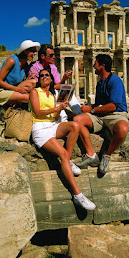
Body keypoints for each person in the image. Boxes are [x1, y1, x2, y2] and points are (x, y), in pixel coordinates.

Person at [29, 69, 96, 211]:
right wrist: (56, 108)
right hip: (40, 128)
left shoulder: (53, 95)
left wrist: (61, 108)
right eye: (41, 75)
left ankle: (69, 161)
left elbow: (54, 117)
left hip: (52, 125)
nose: (44, 77)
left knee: (75, 126)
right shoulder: (35, 92)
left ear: (51, 79)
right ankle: (78, 195)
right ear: (39, 79)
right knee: (63, 154)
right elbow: (38, 112)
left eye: (47, 75)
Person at [74, 54, 129, 175]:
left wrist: (92, 110)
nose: (93, 65)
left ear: (102, 66)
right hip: (100, 115)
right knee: (77, 120)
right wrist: (89, 108)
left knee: (123, 129)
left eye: (95, 63)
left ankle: (107, 155)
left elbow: (113, 106)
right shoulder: (100, 83)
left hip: (115, 114)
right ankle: (92, 155)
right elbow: (99, 104)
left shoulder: (115, 81)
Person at [28, 44, 82, 117]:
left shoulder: (53, 67)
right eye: (51, 55)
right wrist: (58, 86)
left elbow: (58, 84)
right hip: (41, 93)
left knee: (67, 91)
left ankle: (80, 113)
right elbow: (38, 86)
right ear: (42, 56)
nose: (54, 57)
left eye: (54, 55)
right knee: (63, 91)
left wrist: (64, 78)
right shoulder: (34, 67)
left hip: (52, 90)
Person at [0, 40, 40, 105]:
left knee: (33, 82)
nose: (35, 53)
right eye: (33, 51)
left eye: (35, 51)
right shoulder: (12, 60)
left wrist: (27, 79)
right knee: (30, 98)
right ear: (25, 51)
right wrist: (17, 89)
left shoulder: (25, 64)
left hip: (10, 90)